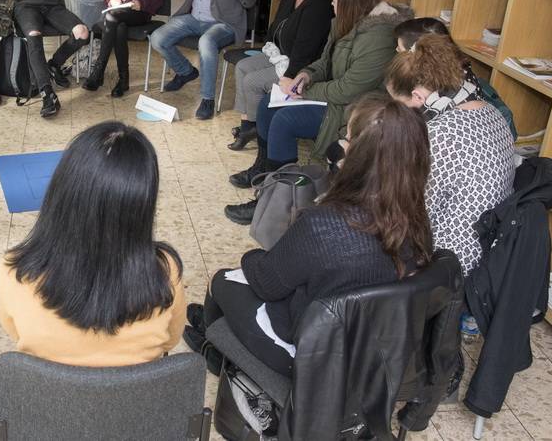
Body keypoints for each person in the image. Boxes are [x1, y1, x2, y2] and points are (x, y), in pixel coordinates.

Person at [185, 96, 434, 413]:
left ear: (357, 156)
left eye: (346, 138)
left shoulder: (324, 225)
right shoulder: (417, 220)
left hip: (309, 354)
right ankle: (214, 336)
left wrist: (252, 257)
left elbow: (267, 284)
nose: (341, 144)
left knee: (221, 281)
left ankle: (215, 353)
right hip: (371, 351)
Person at [0, 121, 186, 367]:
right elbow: (170, 341)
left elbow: (16, 334)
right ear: (141, 205)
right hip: (138, 402)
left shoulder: (14, 271)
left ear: (61, 191)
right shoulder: (165, 270)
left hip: (50, 401)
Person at [224, 0, 408, 225]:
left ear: (350, 5)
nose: (332, 6)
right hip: (328, 94)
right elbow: (324, 61)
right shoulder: (344, 22)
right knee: (268, 105)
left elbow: (349, 90)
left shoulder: (379, 39)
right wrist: (305, 75)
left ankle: (278, 200)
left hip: (350, 109)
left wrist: (303, 92)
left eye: (335, 2)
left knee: (285, 120)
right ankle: (264, 172)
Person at [386, 34, 516, 277]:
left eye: (398, 106)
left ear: (417, 97)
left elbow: (413, 215)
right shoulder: (490, 111)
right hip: (489, 251)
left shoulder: (439, 134)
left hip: (450, 263)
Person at [228, 0, 333, 150]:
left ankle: (261, 130)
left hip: (301, 65)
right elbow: (275, 28)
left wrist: (290, 73)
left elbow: (307, 50)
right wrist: (269, 49)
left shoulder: (319, 5)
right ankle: (249, 123)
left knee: (252, 81)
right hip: (281, 55)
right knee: (242, 66)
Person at [393, 17, 516, 138]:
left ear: (419, 54)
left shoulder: (435, 90)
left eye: (400, 50)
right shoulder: (455, 70)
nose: (396, 51)